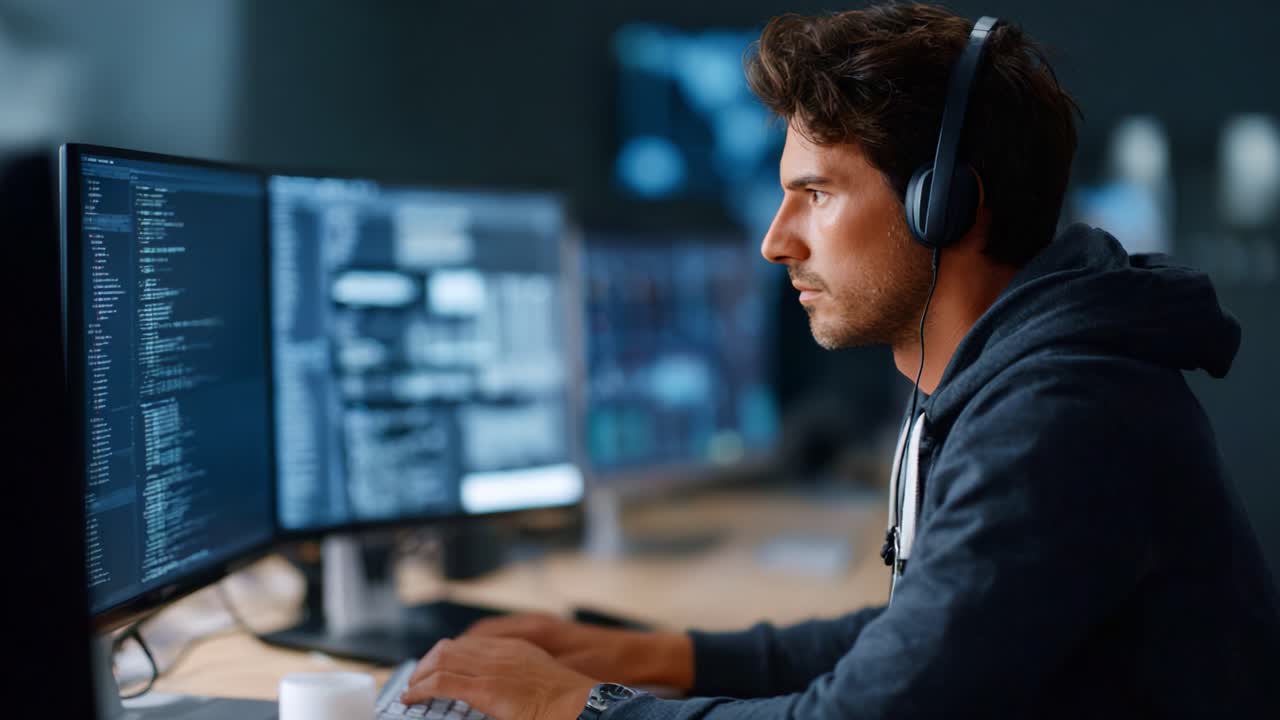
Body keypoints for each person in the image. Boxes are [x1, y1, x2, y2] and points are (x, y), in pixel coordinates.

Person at [401, 4, 1280, 717]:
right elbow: (917, 642)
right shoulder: (1022, 373)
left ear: (943, 207)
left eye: (815, 194)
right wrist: (646, 653)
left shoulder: (1062, 414)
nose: (775, 243)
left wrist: (582, 707)